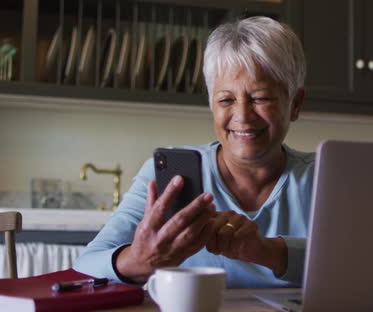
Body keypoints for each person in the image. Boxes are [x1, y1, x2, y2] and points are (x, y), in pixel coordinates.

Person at [73, 16, 314, 288]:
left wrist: (265, 251)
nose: (243, 116)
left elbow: (365, 265)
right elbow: (85, 266)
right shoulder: (167, 175)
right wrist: (140, 260)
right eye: (226, 100)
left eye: (260, 98)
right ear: (212, 104)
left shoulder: (325, 177)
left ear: (295, 103)